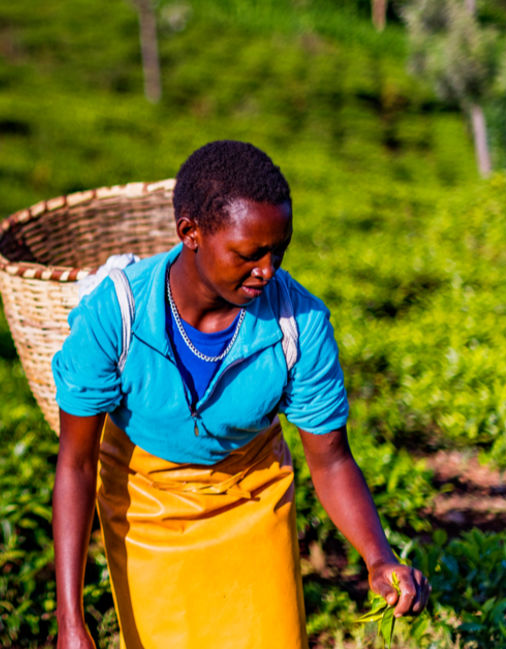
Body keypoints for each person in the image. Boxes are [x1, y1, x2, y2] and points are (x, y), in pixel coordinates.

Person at [50, 140, 428, 649]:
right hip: (145, 510)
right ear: (190, 233)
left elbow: (333, 460)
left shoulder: (299, 325)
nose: (267, 270)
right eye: (250, 254)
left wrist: (378, 556)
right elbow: (76, 463)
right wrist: (70, 620)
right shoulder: (116, 314)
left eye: (279, 251)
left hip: (253, 503)